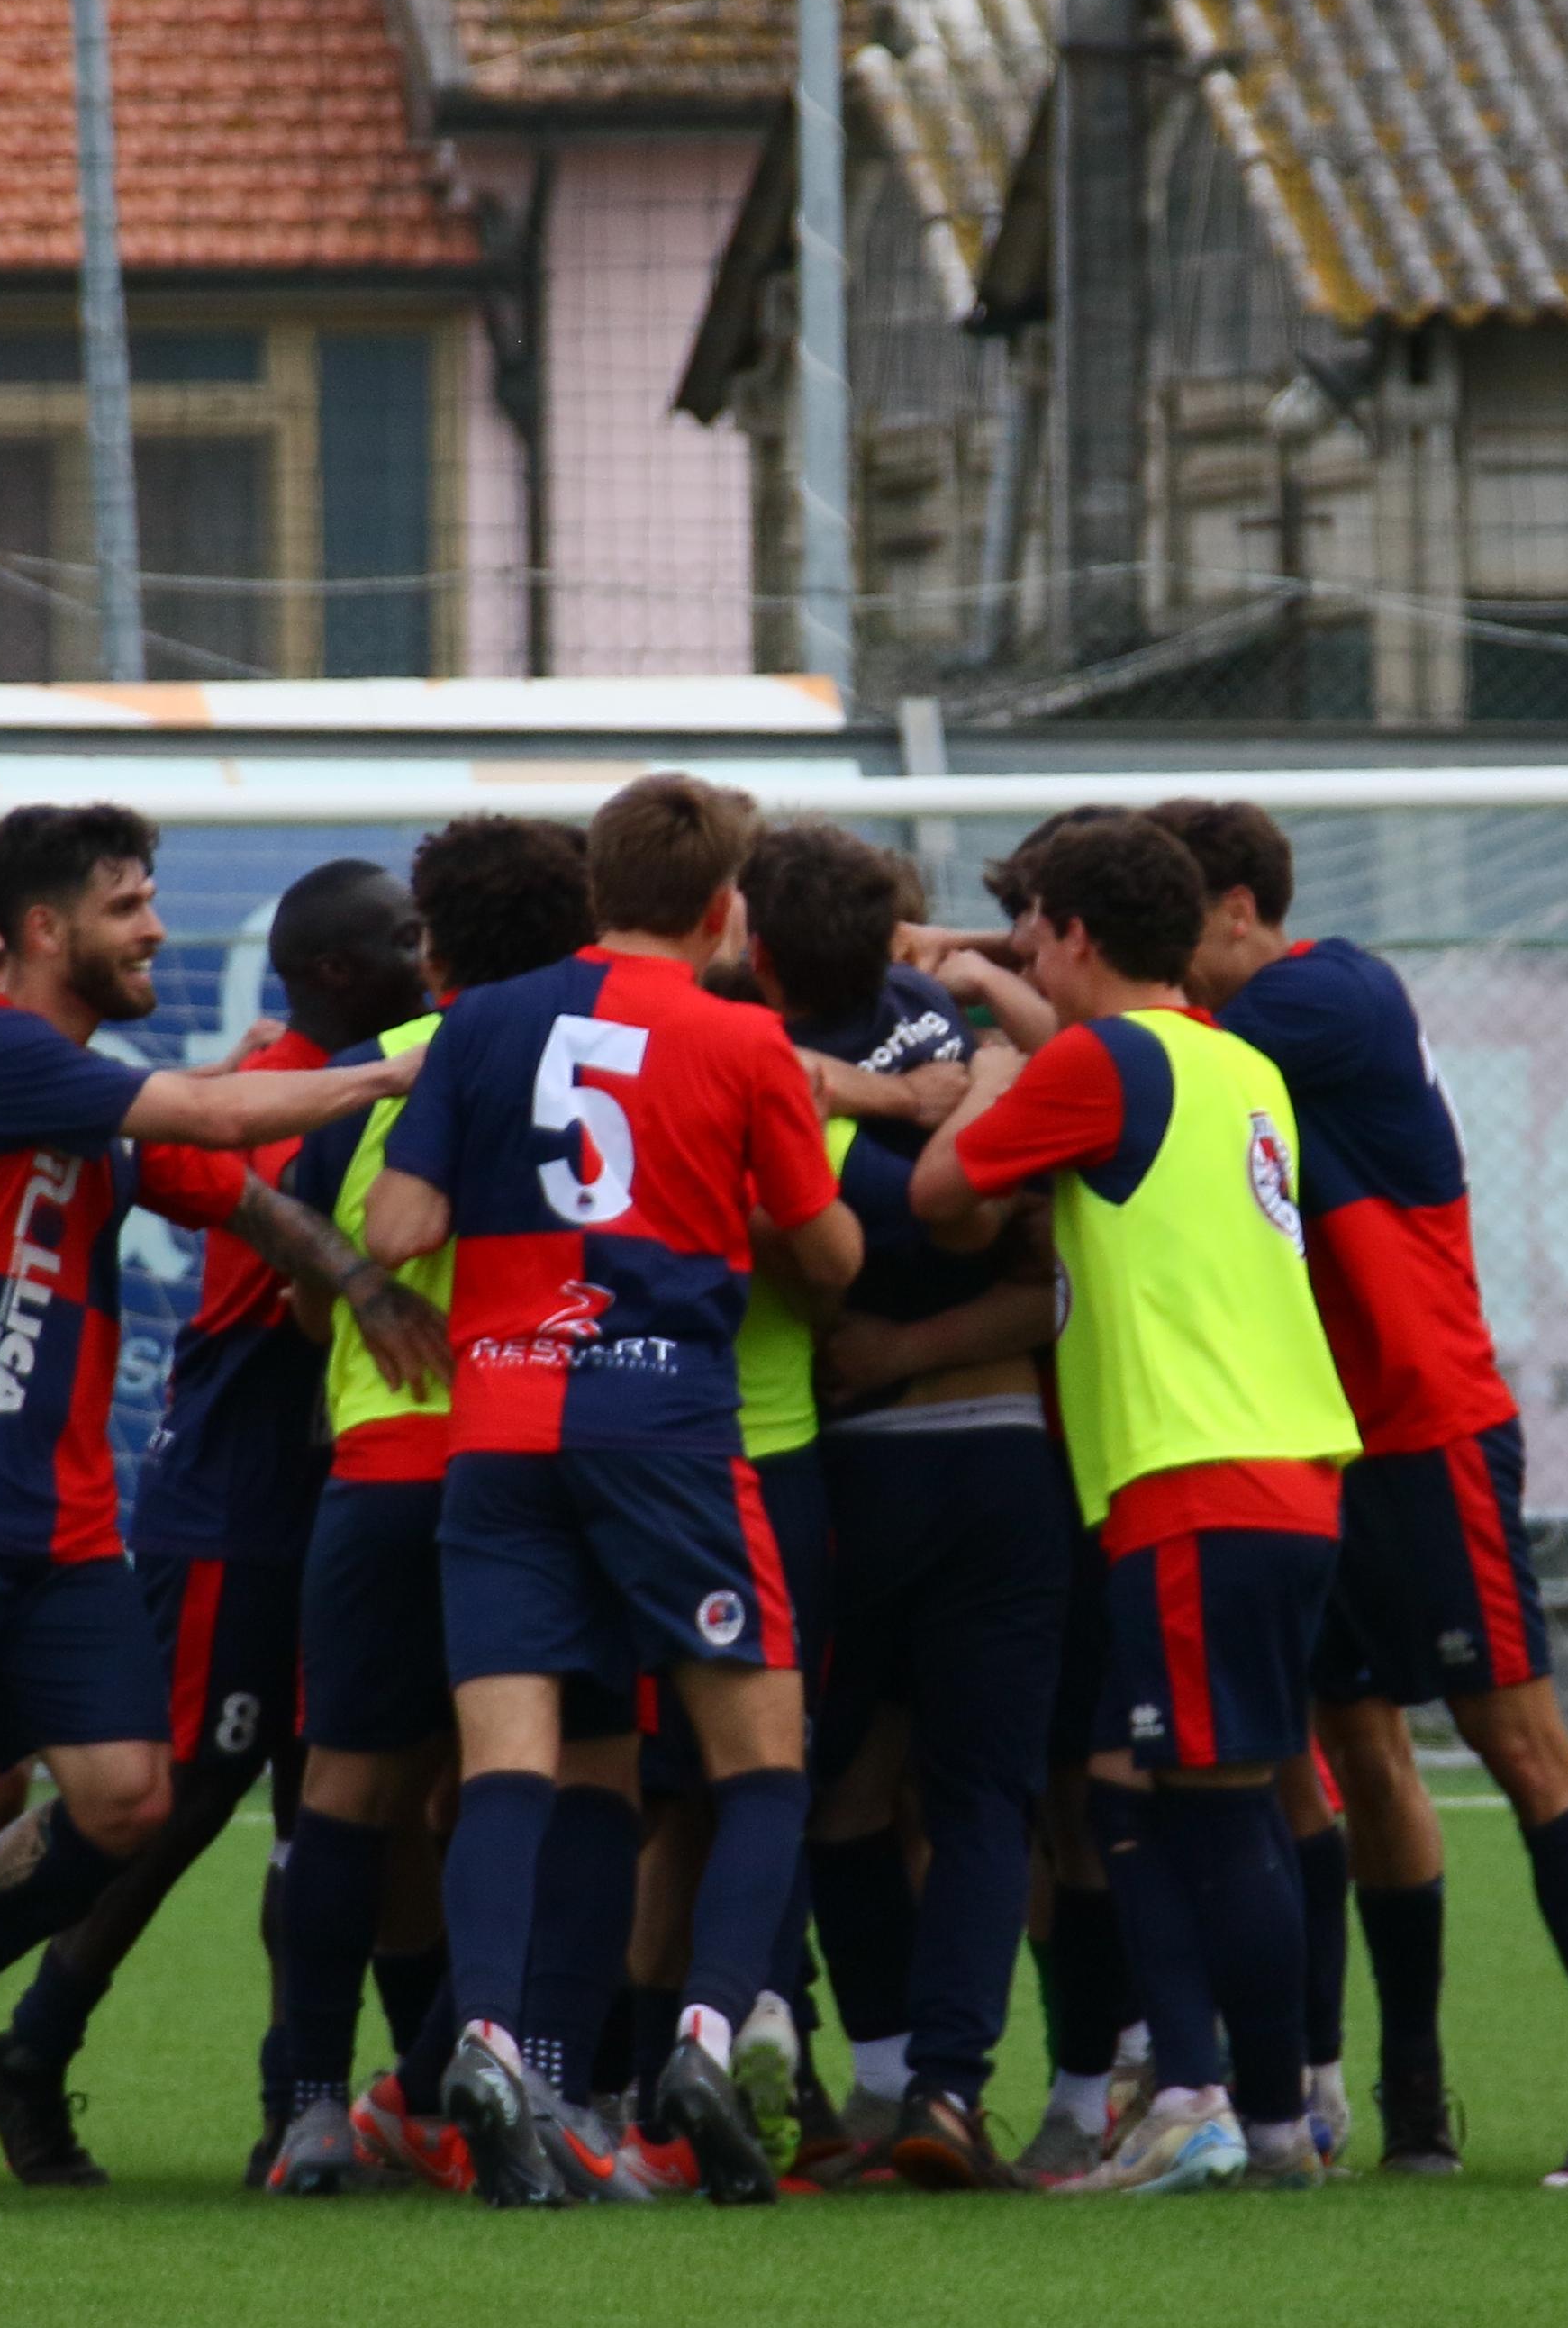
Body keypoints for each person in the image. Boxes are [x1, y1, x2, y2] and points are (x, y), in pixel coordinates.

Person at [0, 802, 432, 2213]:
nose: (156, 928)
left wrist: (356, 1280)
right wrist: (409, 1065)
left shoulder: (85, 1093)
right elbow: (212, 1114)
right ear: (45, 930)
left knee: (131, 1798)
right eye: (128, 905)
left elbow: (234, 1190)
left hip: (65, 1518)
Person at [1147, 798, 1568, 2188]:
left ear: (1243, 910)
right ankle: (1387, 2089)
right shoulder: (1245, 1021)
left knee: (1521, 1745)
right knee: (1349, 1760)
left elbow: (1138, 1046)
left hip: (1428, 1428)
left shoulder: (1332, 993)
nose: (1162, 956)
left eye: (1174, 924)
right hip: (1311, 1437)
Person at [361, 773, 860, 2207]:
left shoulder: (483, 1024)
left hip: (503, 1428)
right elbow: (830, 1260)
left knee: (509, 1767)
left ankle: (491, 2046)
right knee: (763, 1765)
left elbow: (395, 1227)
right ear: (723, 909)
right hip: (668, 1436)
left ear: (597, 892)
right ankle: (703, 2036)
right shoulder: (745, 1039)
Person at [914, 813, 1356, 2197]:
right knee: (1129, 1783)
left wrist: (990, 1072)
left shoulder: (1097, 1063)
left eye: (1032, 932)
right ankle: (1202, 2093)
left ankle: (1251, 2122)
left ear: (1077, 936)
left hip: (1195, 1472)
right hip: (1278, 1473)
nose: (1022, 952)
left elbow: (938, 1193)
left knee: (1213, 1809)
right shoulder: (1236, 1062)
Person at [260, 812, 600, 2196]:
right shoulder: (590, 1064)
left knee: (346, 1793)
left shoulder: (365, 1080)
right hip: (536, 1464)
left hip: (380, 1471)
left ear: (438, 946)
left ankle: (312, 2107)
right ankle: (498, 2081)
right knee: (547, 1786)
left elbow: (306, 1297)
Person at [748, 822, 1070, 2191]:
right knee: (985, 1794)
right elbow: (1015, 1251)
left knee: (826, 1788)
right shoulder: (950, 1029)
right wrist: (990, 1066)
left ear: (756, 950)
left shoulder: (746, 1063)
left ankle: (868, 2078)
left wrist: (881, 1347)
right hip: (1002, 1459)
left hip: (844, 1469)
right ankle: (948, 2090)